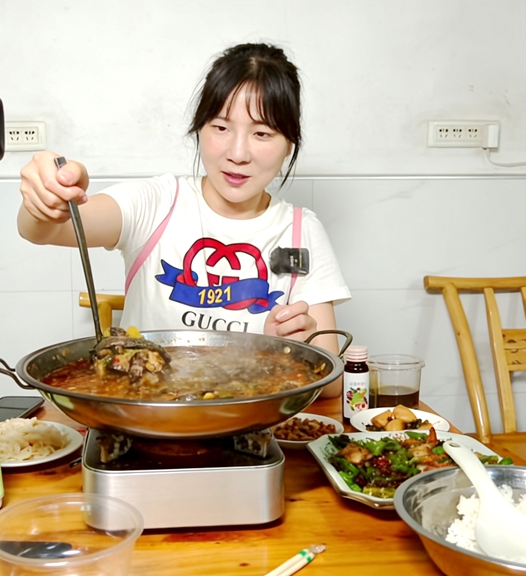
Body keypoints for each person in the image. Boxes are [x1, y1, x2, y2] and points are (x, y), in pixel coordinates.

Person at [18, 43, 351, 398]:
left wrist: (290, 351)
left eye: (262, 133)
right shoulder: (157, 203)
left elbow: (331, 385)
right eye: (220, 127)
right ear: (198, 129)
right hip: (141, 414)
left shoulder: (300, 231)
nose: (238, 153)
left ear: (289, 145)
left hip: (248, 418)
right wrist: (46, 197)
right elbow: (45, 230)